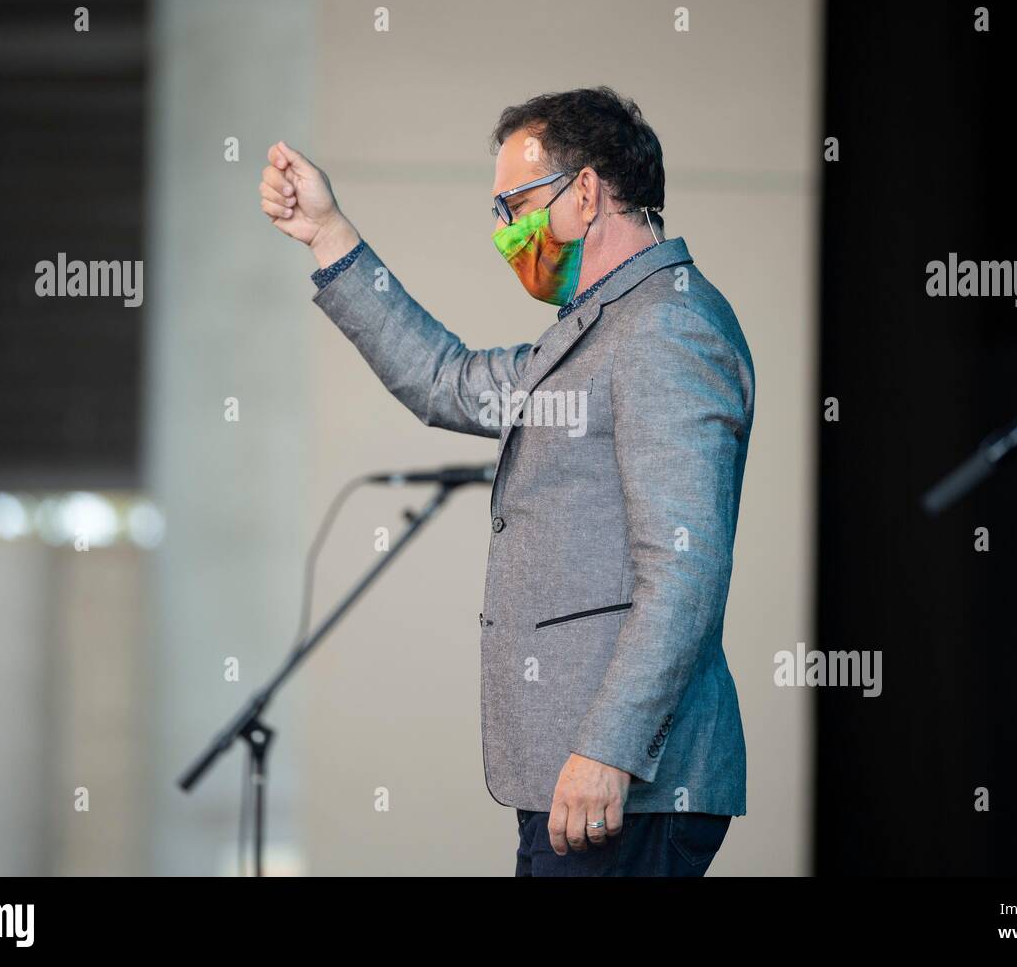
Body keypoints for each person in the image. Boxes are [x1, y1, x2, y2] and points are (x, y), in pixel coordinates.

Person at [259, 87, 755, 877]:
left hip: (626, 785)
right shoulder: (601, 330)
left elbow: (685, 566)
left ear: (585, 192)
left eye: (514, 204)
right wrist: (328, 233)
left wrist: (607, 748)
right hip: (586, 780)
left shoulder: (666, 326)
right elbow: (444, 379)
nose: (504, 232)